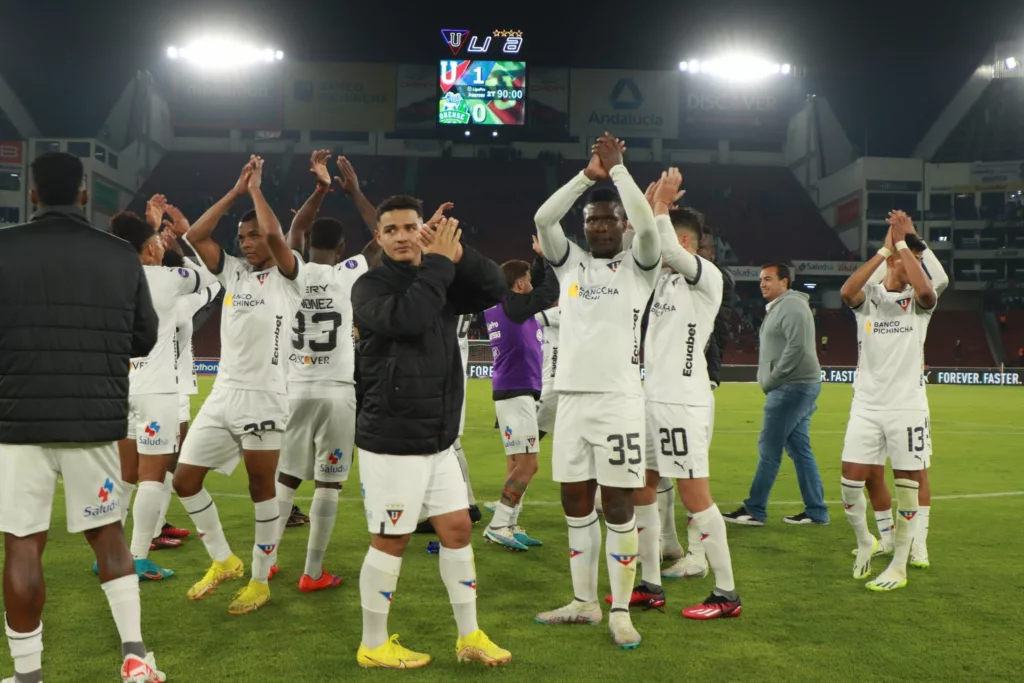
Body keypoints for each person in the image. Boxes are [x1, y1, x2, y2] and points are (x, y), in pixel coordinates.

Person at [0, 151, 166, 682]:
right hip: (94, 418)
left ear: (32, 195)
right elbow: (144, 336)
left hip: (18, 420)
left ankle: (28, 677)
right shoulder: (120, 255)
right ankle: (136, 657)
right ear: (84, 194)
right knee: (108, 535)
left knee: (23, 544)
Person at [352, 195, 510, 668]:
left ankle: (469, 635)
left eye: (410, 227)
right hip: (393, 437)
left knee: (458, 528)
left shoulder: (439, 277)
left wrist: (458, 255)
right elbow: (409, 318)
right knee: (392, 538)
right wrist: (438, 263)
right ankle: (373, 643)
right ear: (379, 238)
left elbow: (495, 288)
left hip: (438, 437)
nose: (401, 236)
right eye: (392, 230)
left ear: (423, 230)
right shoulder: (369, 286)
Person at [533, 133, 661, 650]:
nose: (600, 226)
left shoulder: (639, 267)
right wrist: (588, 176)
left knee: (619, 506)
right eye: (592, 221)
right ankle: (584, 603)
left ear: (621, 225)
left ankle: (621, 610)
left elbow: (649, 226)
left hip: (619, 402)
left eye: (608, 220)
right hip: (572, 402)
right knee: (573, 501)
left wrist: (621, 171)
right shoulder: (572, 264)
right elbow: (544, 220)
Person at [172, 156, 304, 615]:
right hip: (223, 395)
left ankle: (260, 579)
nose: (247, 243)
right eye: (242, 237)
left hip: (265, 396)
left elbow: (273, 235)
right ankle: (224, 560)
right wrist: (233, 191)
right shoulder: (233, 272)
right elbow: (193, 238)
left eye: (253, 236)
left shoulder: (290, 274)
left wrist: (256, 193)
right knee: (185, 480)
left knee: (260, 488)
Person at [630, 171, 739, 620]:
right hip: (649, 400)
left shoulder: (706, 277)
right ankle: (650, 583)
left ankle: (726, 594)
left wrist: (661, 207)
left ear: (687, 244)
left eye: (669, 239)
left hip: (683, 402)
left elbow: (667, 247)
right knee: (644, 489)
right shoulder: (659, 282)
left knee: (696, 495)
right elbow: (642, 245)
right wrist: (647, 203)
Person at [838, 211, 947, 590]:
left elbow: (931, 290)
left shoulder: (919, 305)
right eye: (910, 260)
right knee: (850, 480)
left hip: (907, 405)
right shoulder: (870, 298)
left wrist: (906, 243)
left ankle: (904, 559)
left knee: (910, 481)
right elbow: (846, 292)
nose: (915, 264)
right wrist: (886, 251)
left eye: (917, 260)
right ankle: (868, 540)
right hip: (866, 405)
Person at [107, 208, 215, 582]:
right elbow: (214, 276)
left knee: (125, 476)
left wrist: (150, 233)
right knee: (153, 476)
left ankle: (109, 556)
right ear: (151, 248)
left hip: (121, 389)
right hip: (158, 391)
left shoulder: (109, 277)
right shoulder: (167, 279)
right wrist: (185, 239)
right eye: (153, 243)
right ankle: (136, 558)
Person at [724, 263, 828, 526]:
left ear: (785, 281)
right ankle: (817, 511)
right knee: (800, 450)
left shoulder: (792, 306)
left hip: (791, 387)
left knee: (769, 449)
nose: (762, 283)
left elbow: (797, 347)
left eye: (768, 279)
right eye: (761, 279)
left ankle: (755, 510)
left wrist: (772, 379)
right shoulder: (783, 307)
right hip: (796, 385)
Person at [482, 238, 559, 551]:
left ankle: (510, 525)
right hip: (516, 393)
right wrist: (549, 260)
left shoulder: (507, 308)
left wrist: (537, 262)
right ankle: (499, 523)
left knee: (516, 462)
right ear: (518, 285)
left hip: (512, 392)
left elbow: (539, 287)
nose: (531, 285)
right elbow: (548, 291)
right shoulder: (513, 309)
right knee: (528, 466)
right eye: (526, 280)